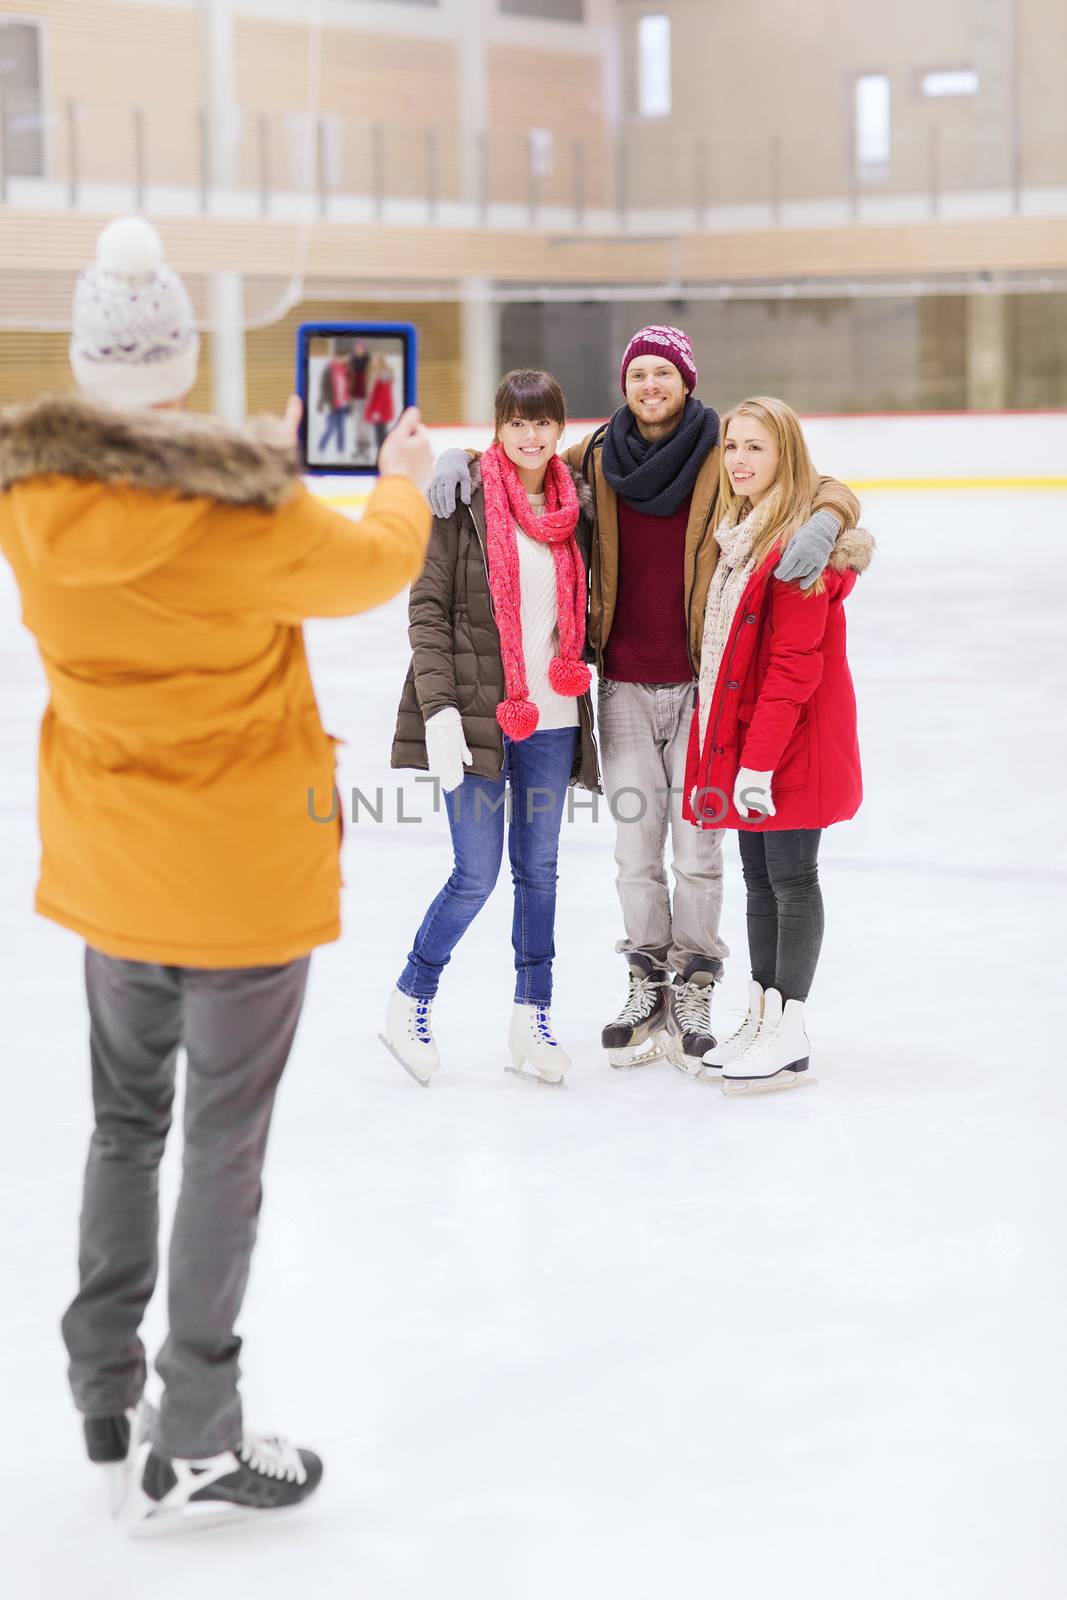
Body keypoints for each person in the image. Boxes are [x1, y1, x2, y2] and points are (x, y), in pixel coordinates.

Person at [0, 216, 433, 1528]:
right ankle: (194, 1428)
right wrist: (402, 473)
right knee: (222, 1145)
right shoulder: (244, 507)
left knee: (123, 1125)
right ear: (182, 360)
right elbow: (378, 564)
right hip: (240, 879)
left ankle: (100, 1381)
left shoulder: (28, 497)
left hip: (111, 864)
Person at [430, 326, 857, 1073]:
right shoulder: (593, 457)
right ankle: (645, 979)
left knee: (697, 850)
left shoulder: (721, 450)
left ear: (687, 382)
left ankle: (693, 981)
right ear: (623, 385)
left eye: (664, 372)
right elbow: (517, 462)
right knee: (634, 851)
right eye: (638, 373)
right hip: (620, 679)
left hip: (701, 682)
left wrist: (827, 520)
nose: (650, 384)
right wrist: (456, 458)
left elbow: (814, 479)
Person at [387, 369, 600, 1087]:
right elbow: (426, 610)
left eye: (542, 423)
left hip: (554, 718)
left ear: (559, 429)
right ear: (497, 428)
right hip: (478, 715)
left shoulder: (579, 507)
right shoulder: (462, 499)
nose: (530, 436)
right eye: (516, 422)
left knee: (537, 874)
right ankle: (409, 1000)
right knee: (474, 874)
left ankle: (530, 1021)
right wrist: (438, 707)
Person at [682, 397, 873, 1093]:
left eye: (755, 448)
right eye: (732, 445)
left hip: (790, 745)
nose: (738, 459)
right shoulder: (739, 533)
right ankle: (764, 1010)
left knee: (792, 879)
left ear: (783, 455)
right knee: (760, 879)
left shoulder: (795, 549)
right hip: (752, 743)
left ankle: (789, 1029)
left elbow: (795, 667)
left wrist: (756, 761)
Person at [316, 338, 353, 458]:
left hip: (343, 404)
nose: (343, 359)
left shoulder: (347, 370)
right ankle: (321, 448)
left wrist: (349, 405)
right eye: (341, 357)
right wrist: (321, 403)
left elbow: (349, 387)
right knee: (331, 428)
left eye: (344, 357)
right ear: (336, 357)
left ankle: (340, 452)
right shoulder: (328, 369)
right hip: (332, 405)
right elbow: (323, 387)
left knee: (341, 430)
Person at [365, 353, 397, 456]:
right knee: (379, 434)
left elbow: (383, 394)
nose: (373, 363)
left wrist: (376, 410)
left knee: (380, 435)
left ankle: (382, 456)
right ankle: (382, 455)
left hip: (381, 410)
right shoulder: (379, 373)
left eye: (376, 361)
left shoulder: (384, 374)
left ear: (380, 362)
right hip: (379, 409)